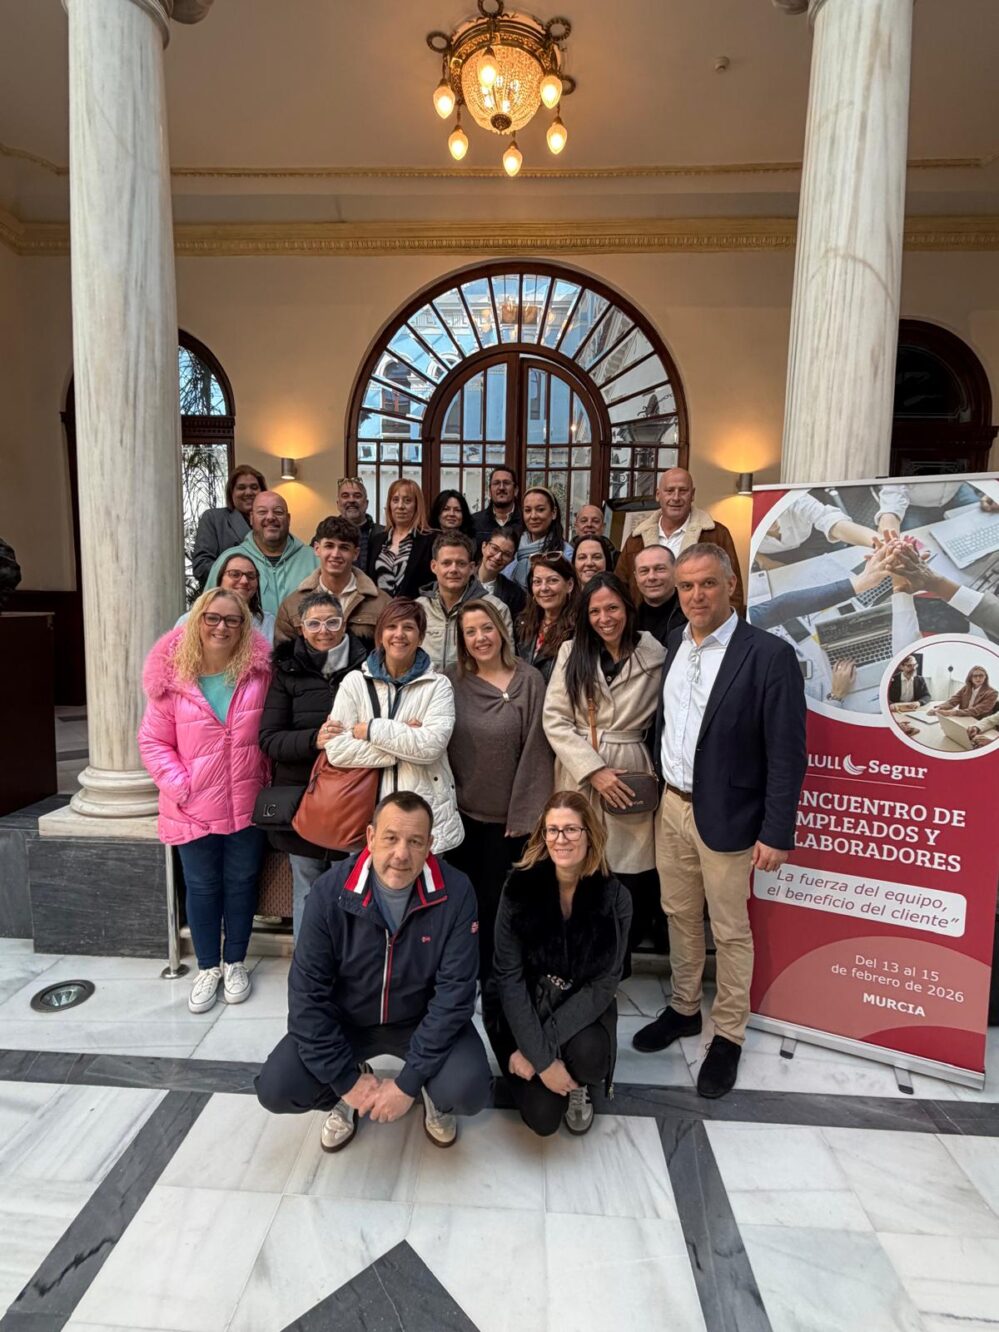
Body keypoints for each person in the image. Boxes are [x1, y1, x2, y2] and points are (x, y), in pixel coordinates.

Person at [632, 544, 806, 1099]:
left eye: (707, 584)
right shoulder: (675, 648)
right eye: (686, 587)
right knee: (679, 914)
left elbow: (787, 753)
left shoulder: (768, 655)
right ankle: (684, 1007)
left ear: (731, 585)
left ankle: (728, 1033)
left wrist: (777, 831)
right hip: (674, 808)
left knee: (729, 930)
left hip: (731, 815)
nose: (696, 596)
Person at [255, 791, 491, 1151]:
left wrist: (408, 1083)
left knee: (469, 1090)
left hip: (419, 1021)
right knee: (276, 1088)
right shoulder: (329, 893)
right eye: (391, 838)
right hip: (347, 1021)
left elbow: (455, 997)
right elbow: (306, 996)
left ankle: (431, 1091)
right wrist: (346, 1082)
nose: (401, 854)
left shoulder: (456, 893)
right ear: (369, 838)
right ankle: (348, 1092)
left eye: (415, 842)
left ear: (430, 845)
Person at [138, 588, 272, 1014]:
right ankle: (208, 967)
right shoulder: (173, 678)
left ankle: (235, 962)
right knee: (201, 887)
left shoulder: (258, 675)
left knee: (240, 885)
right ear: (197, 621)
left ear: (243, 627)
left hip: (247, 803)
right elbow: (153, 741)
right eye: (213, 618)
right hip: (192, 807)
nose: (222, 627)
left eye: (232, 620)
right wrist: (183, 786)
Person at [486, 791, 631, 1137]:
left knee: (592, 1056)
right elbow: (508, 975)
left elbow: (604, 984)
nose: (560, 839)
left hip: (578, 1009)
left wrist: (540, 1053)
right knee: (543, 1118)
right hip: (523, 1010)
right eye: (552, 830)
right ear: (542, 835)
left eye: (571, 830)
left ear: (589, 835)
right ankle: (545, 1070)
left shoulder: (616, 898)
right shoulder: (517, 887)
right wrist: (540, 1057)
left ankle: (576, 1081)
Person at [543, 573, 666, 952]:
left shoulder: (656, 653)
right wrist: (594, 771)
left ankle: (619, 956)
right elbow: (555, 718)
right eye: (595, 610)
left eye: (612, 607)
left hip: (630, 764)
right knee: (576, 861)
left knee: (626, 867)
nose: (604, 618)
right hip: (579, 769)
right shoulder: (572, 651)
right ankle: (576, 951)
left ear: (627, 609)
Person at [445, 599, 553, 979]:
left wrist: (525, 814)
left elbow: (538, 751)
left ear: (501, 630)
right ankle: (466, 974)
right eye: (470, 632)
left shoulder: (529, 680)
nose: (480, 638)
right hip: (461, 817)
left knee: (504, 904)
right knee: (466, 904)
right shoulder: (450, 682)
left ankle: (501, 979)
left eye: (486, 628)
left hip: (510, 820)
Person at [258, 591, 367, 938]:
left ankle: (349, 966)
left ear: (344, 623)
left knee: (352, 889)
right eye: (314, 623)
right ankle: (310, 967)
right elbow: (270, 739)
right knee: (307, 887)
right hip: (302, 801)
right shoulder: (286, 672)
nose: (324, 631)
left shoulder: (367, 666)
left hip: (352, 799)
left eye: (332, 622)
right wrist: (312, 740)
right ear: (301, 628)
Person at [322, 598, 463, 853]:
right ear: (380, 634)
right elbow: (337, 750)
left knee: (426, 891)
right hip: (364, 814)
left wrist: (371, 730)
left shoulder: (438, 685)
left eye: (408, 627)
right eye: (391, 627)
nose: (399, 634)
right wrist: (403, 739)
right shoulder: (354, 682)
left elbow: (431, 747)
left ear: (420, 637)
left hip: (424, 812)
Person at [616, 468, 745, 614]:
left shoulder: (716, 535)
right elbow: (620, 589)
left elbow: (734, 590)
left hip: (701, 625)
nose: (676, 497)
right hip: (644, 627)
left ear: (693, 495)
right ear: (658, 495)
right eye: (669, 491)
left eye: (683, 491)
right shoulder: (636, 539)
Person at [273, 516, 389, 646]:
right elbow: (283, 659)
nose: (335, 554)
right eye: (329, 546)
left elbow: (388, 656)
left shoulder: (382, 603)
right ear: (317, 549)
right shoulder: (292, 605)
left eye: (344, 548)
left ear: (356, 554)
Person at [206, 491, 318, 616]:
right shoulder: (229, 561)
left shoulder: (314, 559)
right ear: (251, 518)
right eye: (262, 512)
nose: (270, 517)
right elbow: (206, 610)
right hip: (248, 635)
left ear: (288, 519)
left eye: (278, 512)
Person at [417, 533, 512, 672]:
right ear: (433, 566)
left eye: (461, 563)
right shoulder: (418, 609)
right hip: (426, 691)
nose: (453, 569)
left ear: (472, 567)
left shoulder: (496, 609)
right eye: (446, 563)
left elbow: (507, 661)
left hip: (475, 691)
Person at [191, 464, 267, 590]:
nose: (248, 492)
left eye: (254, 487)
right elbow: (201, 565)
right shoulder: (214, 519)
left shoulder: (270, 522)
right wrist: (235, 575)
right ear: (231, 492)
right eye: (241, 488)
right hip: (226, 598)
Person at [176, 550, 277, 644]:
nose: (244, 581)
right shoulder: (189, 621)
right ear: (219, 579)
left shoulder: (269, 623)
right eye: (235, 574)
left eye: (251, 576)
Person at [366, 478, 436, 599]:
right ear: (389, 505)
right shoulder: (377, 540)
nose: (400, 506)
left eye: (407, 501)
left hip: (414, 612)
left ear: (417, 506)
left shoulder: (431, 540)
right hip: (380, 613)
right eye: (395, 500)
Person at [515, 553, 578, 686]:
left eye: (552, 580)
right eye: (537, 582)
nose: (544, 588)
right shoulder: (522, 624)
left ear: (570, 585)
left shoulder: (579, 629)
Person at [504, 487, 574, 588]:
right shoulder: (514, 549)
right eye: (527, 510)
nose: (533, 516)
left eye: (540, 510)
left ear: (553, 513)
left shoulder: (565, 553)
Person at [633, 546, 685, 644]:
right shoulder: (627, 618)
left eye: (660, 569)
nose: (651, 577)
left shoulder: (691, 614)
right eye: (644, 571)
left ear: (675, 572)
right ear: (636, 577)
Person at [476, 526, 526, 619]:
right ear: (484, 546)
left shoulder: (515, 594)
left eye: (506, 554)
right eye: (494, 548)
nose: (498, 557)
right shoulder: (462, 580)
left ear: (511, 560)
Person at [336, 476, 383, 571]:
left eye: (357, 496)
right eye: (345, 496)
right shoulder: (325, 534)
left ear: (366, 503)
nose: (351, 500)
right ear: (338, 503)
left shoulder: (383, 535)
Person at [470, 465, 523, 546]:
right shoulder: (474, 522)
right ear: (489, 491)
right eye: (496, 483)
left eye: (506, 483)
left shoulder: (525, 521)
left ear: (515, 490)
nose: (501, 488)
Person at [929, 665, 998, 720]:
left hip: (978, 722)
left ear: (985, 677)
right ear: (970, 677)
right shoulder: (966, 687)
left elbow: (977, 710)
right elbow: (953, 700)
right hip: (962, 718)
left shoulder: (992, 693)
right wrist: (939, 708)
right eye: (975, 676)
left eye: (981, 675)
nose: (978, 678)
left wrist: (953, 712)